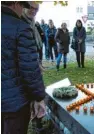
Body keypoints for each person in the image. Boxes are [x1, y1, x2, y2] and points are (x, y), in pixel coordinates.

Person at [2, 2, 46, 134]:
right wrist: (39, 97)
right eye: (24, 6)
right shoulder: (20, 27)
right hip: (13, 102)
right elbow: (29, 71)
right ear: (16, 4)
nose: (24, 9)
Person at [21, 2, 44, 69]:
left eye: (36, 9)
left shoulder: (32, 23)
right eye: (31, 7)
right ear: (24, 7)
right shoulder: (19, 22)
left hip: (32, 63)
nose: (33, 11)